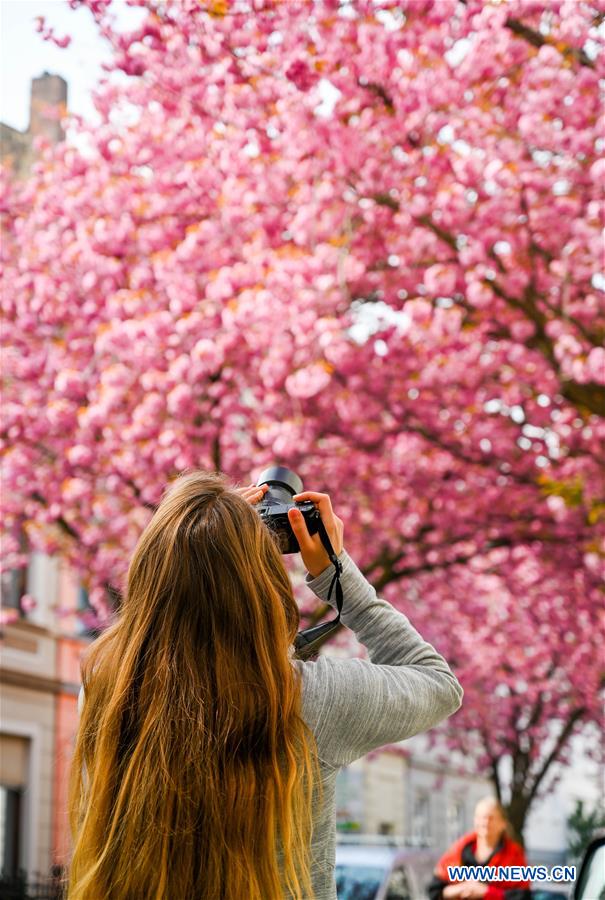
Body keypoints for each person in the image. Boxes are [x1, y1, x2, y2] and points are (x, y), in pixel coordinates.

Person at [68, 470, 463, 900]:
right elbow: (437, 681)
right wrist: (337, 575)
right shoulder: (304, 699)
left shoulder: (108, 687)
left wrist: (205, 521)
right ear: (261, 586)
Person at [427, 797, 531, 900]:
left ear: (503, 824)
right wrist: (461, 889)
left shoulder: (514, 855)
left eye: (491, 818)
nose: (485, 822)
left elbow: (521, 896)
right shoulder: (459, 849)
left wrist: (486, 892)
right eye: (480, 817)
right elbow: (434, 890)